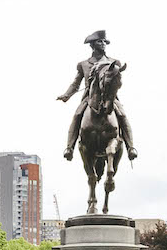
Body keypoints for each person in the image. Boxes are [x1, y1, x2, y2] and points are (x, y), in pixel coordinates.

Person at [58, 30, 138, 161]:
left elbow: (117, 81)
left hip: (109, 97)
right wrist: (66, 95)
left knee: (122, 115)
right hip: (89, 97)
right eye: (99, 42)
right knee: (77, 115)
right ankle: (69, 147)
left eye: (104, 42)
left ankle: (131, 147)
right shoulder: (83, 64)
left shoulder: (114, 62)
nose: (103, 44)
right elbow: (76, 84)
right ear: (92, 45)